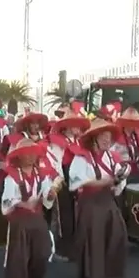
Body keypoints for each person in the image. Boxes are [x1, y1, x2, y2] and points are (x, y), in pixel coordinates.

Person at [68, 119, 129, 278]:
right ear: (94, 138)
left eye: (109, 137)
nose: (106, 140)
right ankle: (89, 276)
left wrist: (118, 180)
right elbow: (76, 182)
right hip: (90, 202)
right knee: (92, 238)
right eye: (103, 137)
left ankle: (109, 270)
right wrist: (104, 182)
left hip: (107, 200)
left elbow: (117, 179)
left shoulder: (111, 157)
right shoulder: (82, 158)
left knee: (117, 231)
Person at [1, 138, 57, 278]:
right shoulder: (11, 177)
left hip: (37, 217)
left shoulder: (42, 175)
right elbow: (7, 200)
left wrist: (50, 195)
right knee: (18, 255)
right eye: (26, 154)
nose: (30, 157)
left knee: (42, 252)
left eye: (33, 153)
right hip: (19, 219)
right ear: (19, 157)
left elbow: (47, 194)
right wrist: (22, 203)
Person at [46, 104, 90, 262]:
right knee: (64, 217)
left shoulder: (79, 141)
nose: (78, 127)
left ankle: (74, 246)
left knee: (76, 215)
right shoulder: (57, 141)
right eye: (74, 124)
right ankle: (61, 249)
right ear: (66, 126)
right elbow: (55, 162)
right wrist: (59, 181)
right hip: (64, 180)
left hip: (77, 181)